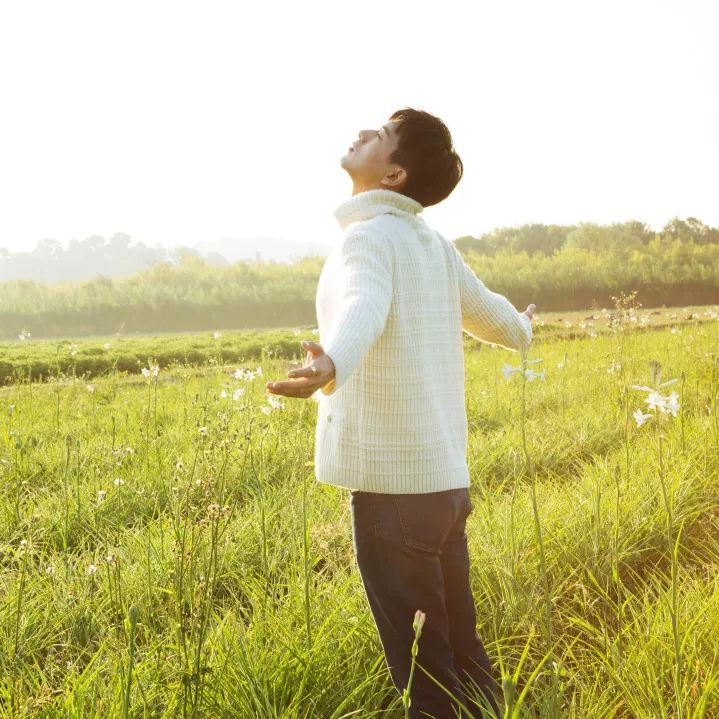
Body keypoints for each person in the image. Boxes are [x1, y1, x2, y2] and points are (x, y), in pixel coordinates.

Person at [266, 107, 535, 718]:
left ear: (393, 176)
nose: (363, 133)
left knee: (424, 669)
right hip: (443, 486)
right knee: (459, 647)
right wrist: (523, 329)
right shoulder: (432, 243)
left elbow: (364, 303)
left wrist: (331, 361)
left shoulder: (367, 238)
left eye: (380, 136)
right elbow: (490, 314)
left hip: (394, 490)